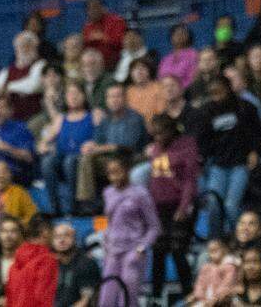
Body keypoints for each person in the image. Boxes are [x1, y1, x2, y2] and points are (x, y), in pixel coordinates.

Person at [198, 75, 261, 235]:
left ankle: (237, 236)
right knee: (213, 203)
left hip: (240, 163)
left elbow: (259, 133)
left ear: (228, 89)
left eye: (220, 92)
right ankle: (215, 240)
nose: (217, 97)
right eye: (213, 93)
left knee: (230, 205)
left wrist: (255, 151)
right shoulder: (206, 111)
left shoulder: (245, 107)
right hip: (218, 164)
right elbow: (202, 140)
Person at [146, 114, 198, 301]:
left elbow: (190, 181)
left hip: (178, 206)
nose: (157, 138)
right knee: (158, 252)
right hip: (158, 207)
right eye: (154, 134)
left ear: (170, 130)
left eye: (161, 133)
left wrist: (183, 208)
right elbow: (154, 180)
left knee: (178, 251)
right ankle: (156, 297)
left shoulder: (186, 146)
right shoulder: (155, 149)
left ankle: (189, 295)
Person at [99, 154, 159, 307]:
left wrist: (141, 248)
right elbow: (107, 221)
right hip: (113, 250)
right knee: (106, 295)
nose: (114, 177)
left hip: (133, 250)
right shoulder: (107, 192)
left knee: (127, 296)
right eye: (110, 173)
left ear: (127, 170)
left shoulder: (141, 193)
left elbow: (154, 227)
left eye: (118, 171)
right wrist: (104, 241)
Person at [38, 81, 93, 217]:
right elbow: (44, 141)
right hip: (62, 155)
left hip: (82, 157)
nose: (73, 97)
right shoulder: (60, 118)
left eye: (77, 93)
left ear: (84, 96)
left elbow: (101, 135)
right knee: (47, 162)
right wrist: (43, 145)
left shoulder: (92, 116)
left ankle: (75, 206)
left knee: (69, 161)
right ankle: (55, 207)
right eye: (70, 93)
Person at [0, 32, 45, 121]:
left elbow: (33, 86)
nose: (24, 49)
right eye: (21, 46)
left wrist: (7, 87)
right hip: (10, 119)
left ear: (35, 48)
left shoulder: (40, 64)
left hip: (33, 116)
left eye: (28, 46)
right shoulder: (8, 70)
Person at [0, 96, 36, 185]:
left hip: (15, 175)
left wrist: (6, 148)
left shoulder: (20, 129)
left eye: (1, 108)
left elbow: (29, 157)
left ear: (10, 111)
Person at [5, 216, 57, 307]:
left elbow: (9, 299)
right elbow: (43, 297)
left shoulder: (15, 263)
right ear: (45, 232)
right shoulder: (47, 260)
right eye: (53, 232)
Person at [50, 224, 100, 307]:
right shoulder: (53, 265)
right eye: (57, 237)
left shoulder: (86, 264)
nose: (62, 240)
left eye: (66, 235)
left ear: (74, 239)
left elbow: (86, 301)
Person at [188, 237, 240, 307]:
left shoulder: (230, 266)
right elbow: (200, 283)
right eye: (210, 251)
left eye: (216, 250)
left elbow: (227, 284)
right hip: (204, 300)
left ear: (224, 249)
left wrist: (215, 298)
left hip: (222, 300)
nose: (213, 253)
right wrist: (200, 296)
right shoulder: (206, 267)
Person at [159, 24, 199, 88]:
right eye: (176, 33)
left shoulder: (193, 55)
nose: (179, 36)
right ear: (171, 37)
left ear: (188, 36)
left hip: (187, 92)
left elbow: (193, 78)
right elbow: (160, 78)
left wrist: (178, 90)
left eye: (182, 33)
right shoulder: (166, 59)